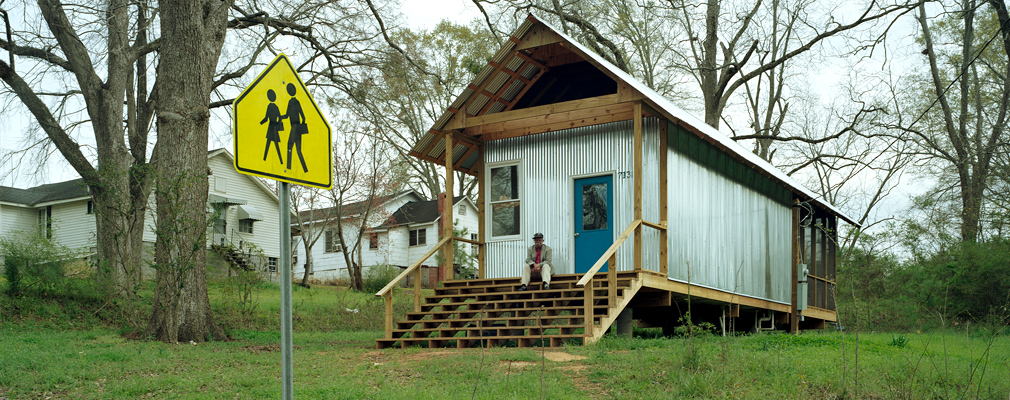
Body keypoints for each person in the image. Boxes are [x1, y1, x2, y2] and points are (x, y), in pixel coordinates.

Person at [282, 83, 309, 173]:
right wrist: (301, 126)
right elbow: (303, 117)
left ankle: (288, 168)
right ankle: (305, 169)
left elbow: (288, 115)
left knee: (289, 146)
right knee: (298, 150)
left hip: (294, 127)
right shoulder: (294, 102)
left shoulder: (293, 102)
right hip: (298, 128)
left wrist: (299, 127)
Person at [260, 89, 284, 164]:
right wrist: (278, 123)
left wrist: (260, 123)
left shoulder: (269, 106)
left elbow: (266, 118)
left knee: (269, 144)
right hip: (274, 127)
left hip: (271, 127)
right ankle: (280, 161)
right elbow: (280, 117)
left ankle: (265, 159)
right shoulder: (276, 107)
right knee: (275, 145)